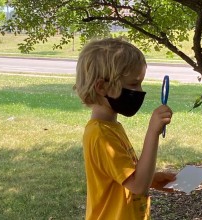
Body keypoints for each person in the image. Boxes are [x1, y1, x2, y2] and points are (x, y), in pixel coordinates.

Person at [74, 38, 176, 220]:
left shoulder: (111, 127)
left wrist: (152, 179)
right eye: (133, 84)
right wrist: (153, 132)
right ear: (101, 87)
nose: (139, 91)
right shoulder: (100, 135)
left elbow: (125, 178)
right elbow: (138, 186)